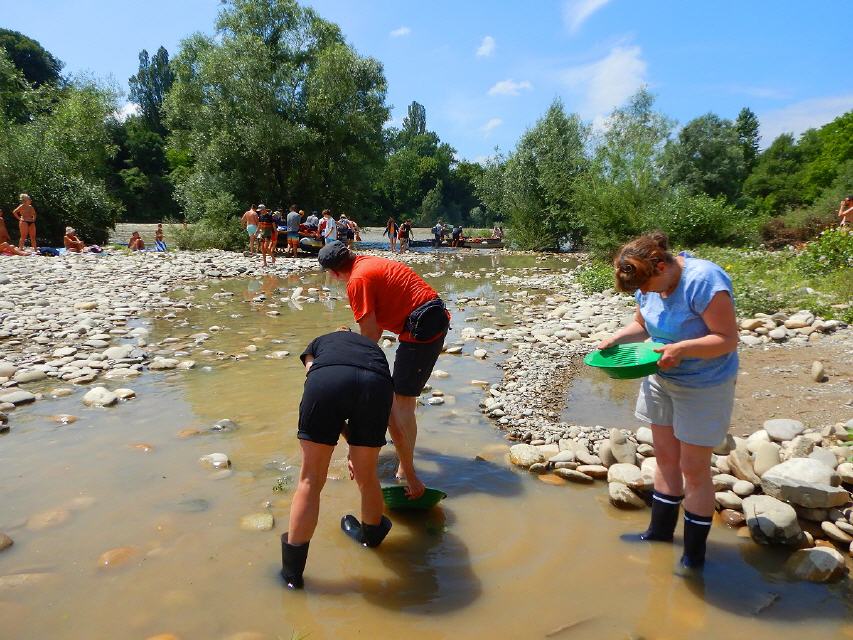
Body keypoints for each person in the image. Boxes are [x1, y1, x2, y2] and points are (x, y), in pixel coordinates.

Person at [598, 232, 738, 571]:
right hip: (660, 377)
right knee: (664, 459)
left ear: (661, 265)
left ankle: (693, 557)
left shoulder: (704, 280)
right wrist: (617, 338)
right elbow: (641, 325)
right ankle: (659, 535)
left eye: (647, 287)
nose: (645, 294)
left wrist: (682, 349)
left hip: (703, 383)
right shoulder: (647, 282)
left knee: (694, 470)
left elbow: (727, 339)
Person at [318, 241, 451, 499]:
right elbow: (375, 329)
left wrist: (356, 368)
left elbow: (369, 333)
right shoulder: (367, 263)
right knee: (401, 401)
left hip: (423, 329)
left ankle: (404, 471)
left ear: (333, 272)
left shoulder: (357, 280)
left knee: (402, 402)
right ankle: (405, 458)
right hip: (428, 318)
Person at [281, 328, 395, 589]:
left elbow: (314, 377)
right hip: (375, 385)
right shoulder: (371, 348)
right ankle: (371, 538)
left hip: (327, 381)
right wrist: (407, 471)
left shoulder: (319, 342)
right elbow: (391, 415)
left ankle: (292, 575)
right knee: (368, 476)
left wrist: (345, 437)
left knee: (310, 481)